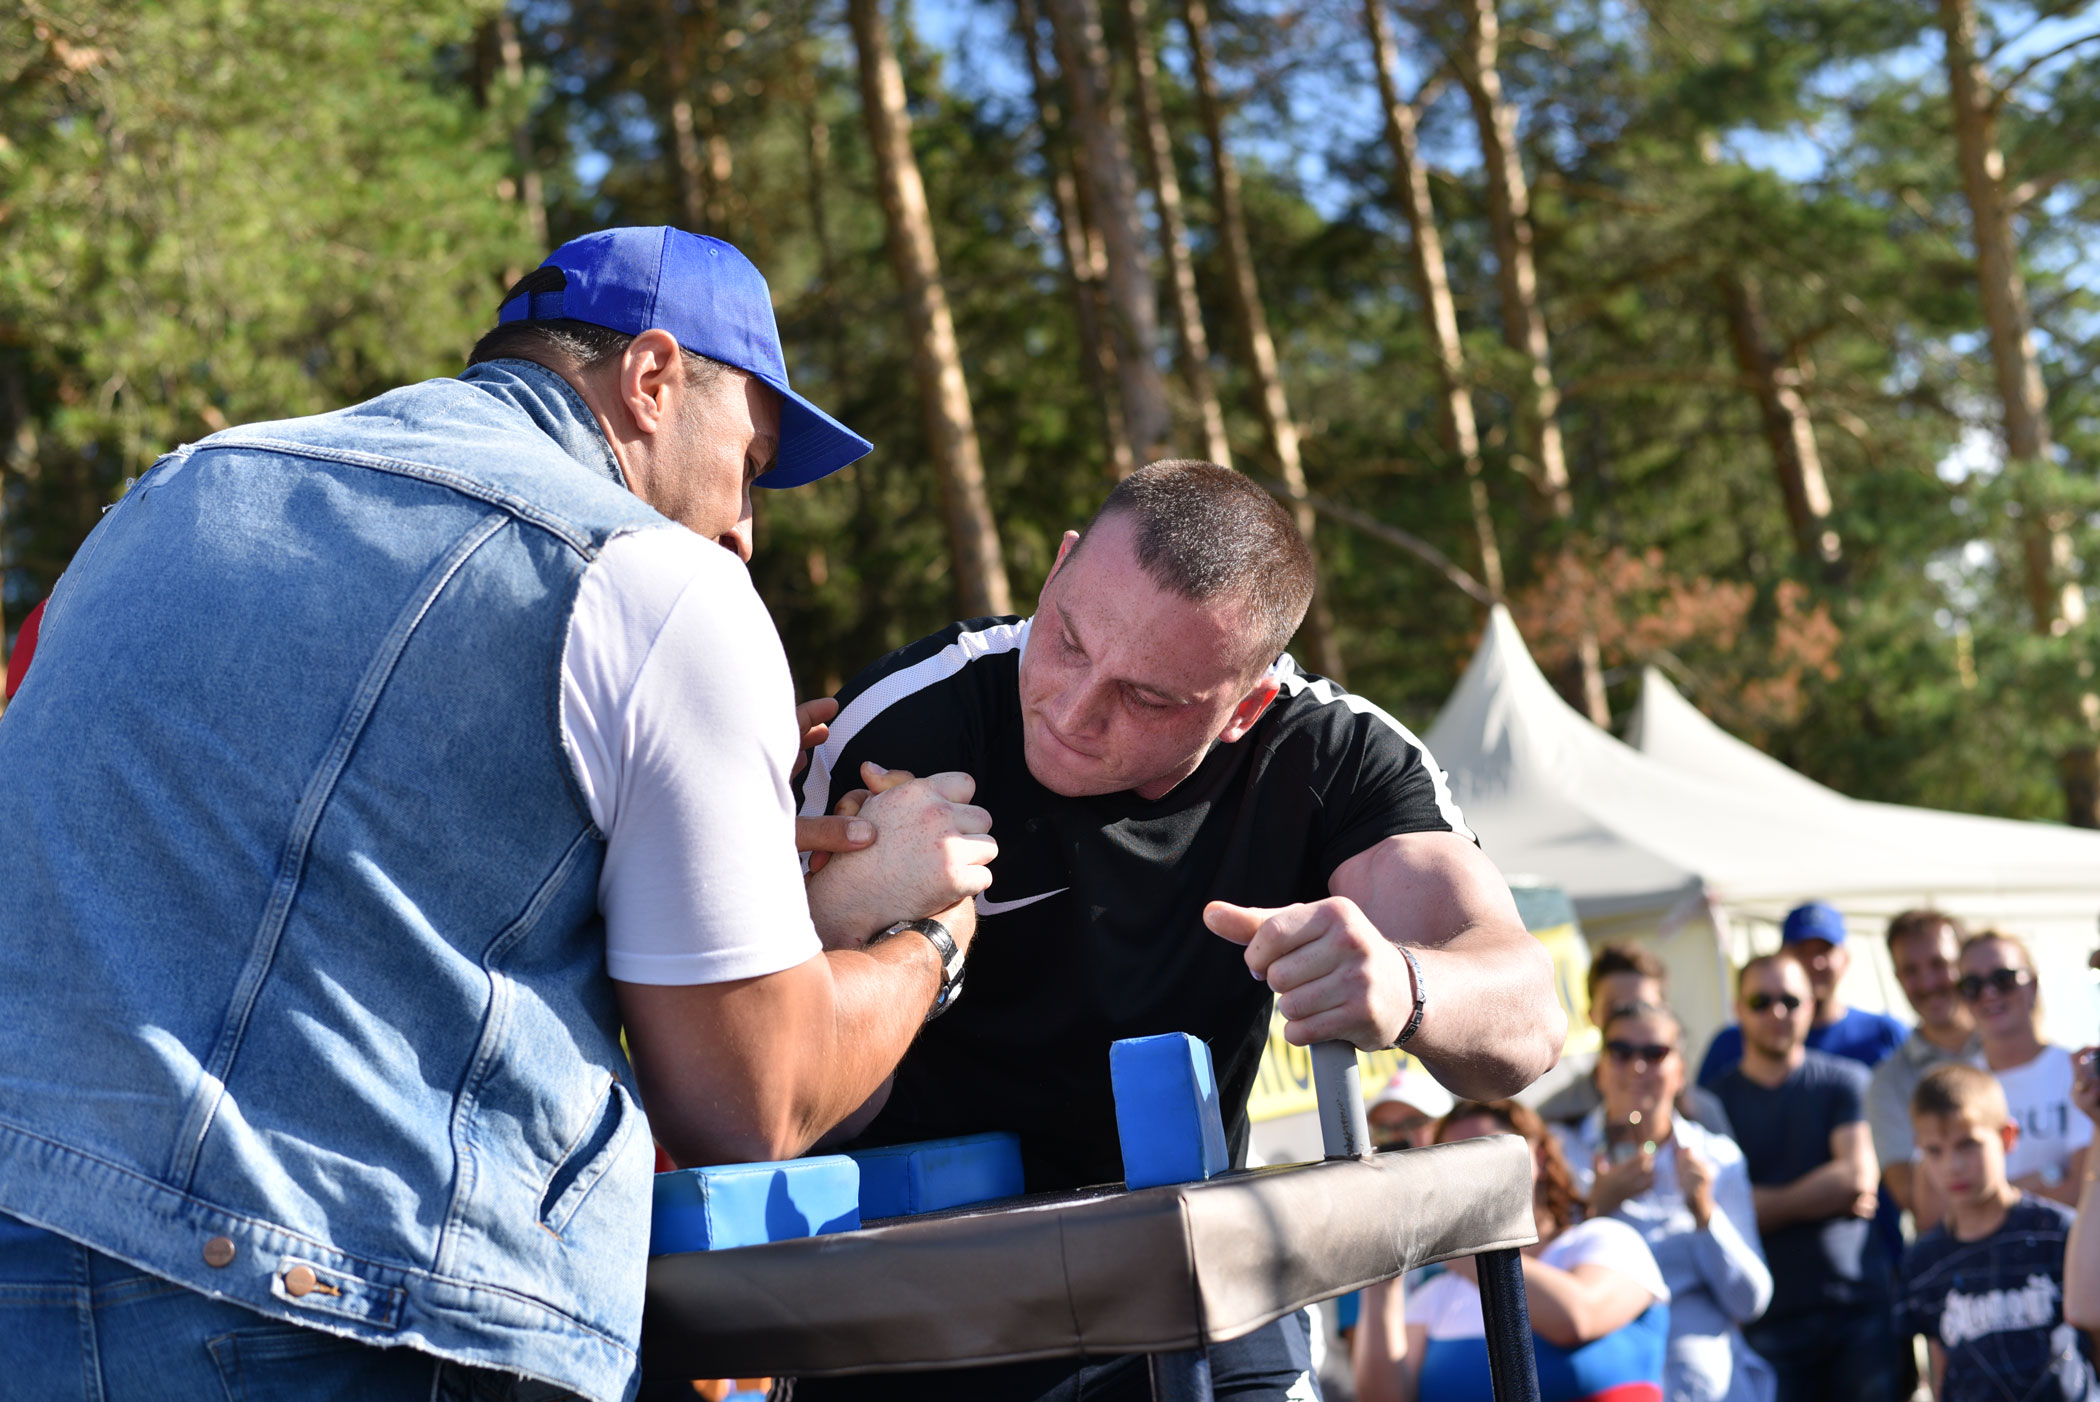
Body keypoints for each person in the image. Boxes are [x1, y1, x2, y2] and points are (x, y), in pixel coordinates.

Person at [0, 228, 998, 1402]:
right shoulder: (659, 582)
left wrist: (655, 847)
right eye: (748, 460)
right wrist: (929, 942)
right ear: (654, 378)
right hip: (343, 1316)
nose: (741, 529)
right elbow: (749, 1099)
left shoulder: (181, 484)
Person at [792, 459, 1568, 1402]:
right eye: (1067, 640)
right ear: (1056, 572)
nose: (1075, 711)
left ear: (1245, 708)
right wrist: (849, 919)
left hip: (1192, 1281)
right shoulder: (913, 716)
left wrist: (1405, 985)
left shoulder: (1332, 754)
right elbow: (776, 1096)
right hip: (921, 1300)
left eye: (1149, 698)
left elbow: (1527, 1028)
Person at [1354, 1099, 1671, 1402]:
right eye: (1452, 1164)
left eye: (1489, 1155)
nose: (1472, 1175)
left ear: (1541, 1159)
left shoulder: (1607, 1241)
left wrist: (1463, 1251)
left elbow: (1577, 1319)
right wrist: (1382, 1277)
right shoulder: (1436, 1296)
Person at [1559, 1004, 1774, 1402]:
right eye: (1621, 1052)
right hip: (1602, 1369)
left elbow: (1750, 1301)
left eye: (1655, 1053)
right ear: (1601, 1069)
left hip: (1700, 1383)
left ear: (1681, 1072)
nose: (1637, 1067)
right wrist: (1593, 1210)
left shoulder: (1715, 1158)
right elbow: (1538, 1280)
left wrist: (1705, 1214)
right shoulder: (1561, 1153)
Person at [1706, 955, 1892, 1402]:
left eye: (1790, 1000)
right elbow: (1719, 1213)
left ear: (1812, 1006)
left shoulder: (1846, 1080)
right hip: (1765, 1320)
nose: (1777, 1013)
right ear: (1738, 1008)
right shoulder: (1713, 1102)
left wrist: (1756, 1206)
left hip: (1858, 1310)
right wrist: (1819, 1194)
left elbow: (1855, 1179)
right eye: (1761, 1000)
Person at [1900, 1063, 2098, 1402]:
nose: (1953, 1165)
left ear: (2007, 1136)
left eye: (1968, 1145)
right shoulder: (1924, 1261)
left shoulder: (2061, 1233)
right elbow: (1939, 1363)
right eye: (1934, 1151)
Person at [1698, 902, 1907, 1086]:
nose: (1814, 962)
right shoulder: (1733, 1042)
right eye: (1802, 951)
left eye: (1824, 951)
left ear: (1845, 959)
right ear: (1780, 956)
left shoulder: (1884, 1034)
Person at [1540, 942, 1734, 1137]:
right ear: (1591, 1016)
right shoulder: (1558, 1116)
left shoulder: (1703, 1115)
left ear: (1666, 1013)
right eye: (1615, 1008)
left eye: (1644, 1007)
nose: (1630, 1019)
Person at [1866, 909, 1982, 1231]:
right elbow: (1910, 1194)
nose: (1928, 983)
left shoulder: (2009, 1046)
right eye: (1911, 971)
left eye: (1939, 964)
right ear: (1898, 979)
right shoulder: (1888, 1081)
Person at [1960, 930, 2090, 1205]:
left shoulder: (2078, 1071)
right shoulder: (1957, 1086)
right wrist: (2053, 1173)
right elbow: (1944, 1207)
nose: (1989, 993)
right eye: (1973, 985)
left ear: (2032, 984)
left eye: (2003, 979)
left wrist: (1997, 1192)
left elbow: (2086, 1187)